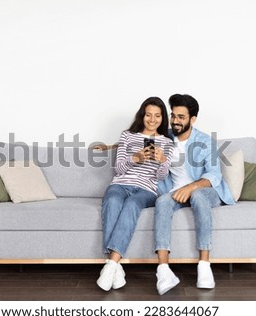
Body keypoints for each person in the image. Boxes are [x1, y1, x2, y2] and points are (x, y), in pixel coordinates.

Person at [154, 94, 235, 295]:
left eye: (181, 117)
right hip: (175, 192)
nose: (175, 121)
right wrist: (112, 147)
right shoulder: (165, 139)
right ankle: (164, 270)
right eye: (173, 115)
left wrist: (190, 188)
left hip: (206, 192)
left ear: (193, 119)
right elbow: (138, 139)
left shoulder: (204, 141)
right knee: (162, 202)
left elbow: (214, 174)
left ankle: (204, 266)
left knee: (198, 196)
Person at [97, 96, 174, 291]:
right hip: (121, 184)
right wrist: (136, 158)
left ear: (162, 118)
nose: (152, 119)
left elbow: (161, 176)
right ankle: (116, 268)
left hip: (146, 189)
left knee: (132, 204)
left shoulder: (166, 142)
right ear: (142, 115)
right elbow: (119, 168)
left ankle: (112, 263)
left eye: (157, 116)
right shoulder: (127, 136)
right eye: (148, 115)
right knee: (113, 200)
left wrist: (162, 160)